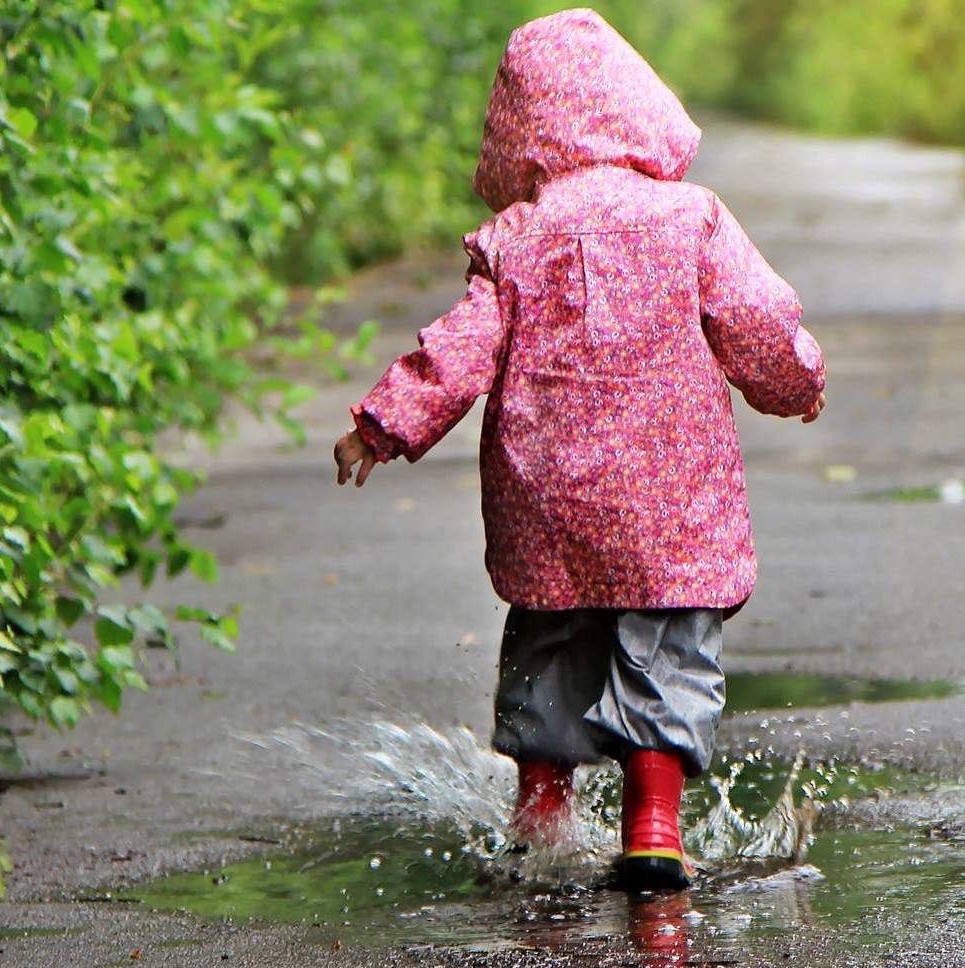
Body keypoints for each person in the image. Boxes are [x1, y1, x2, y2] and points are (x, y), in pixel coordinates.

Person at [333, 8, 825, 892]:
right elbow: (757, 321)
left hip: (549, 496)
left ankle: (541, 815)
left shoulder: (517, 237)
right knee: (668, 640)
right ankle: (653, 824)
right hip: (667, 500)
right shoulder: (692, 219)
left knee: (548, 636)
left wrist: (385, 423)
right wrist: (795, 382)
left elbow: (460, 348)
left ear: (521, 129)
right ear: (642, 105)